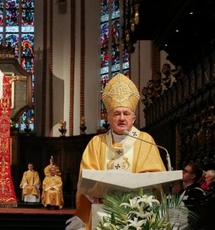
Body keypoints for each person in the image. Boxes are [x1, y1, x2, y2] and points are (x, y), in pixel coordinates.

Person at [66, 73, 166, 230]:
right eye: (116, 113)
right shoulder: (96, 143)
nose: (121, 118)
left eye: (126, 114)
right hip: (103, 209)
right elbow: (85, 178)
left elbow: (155, 178)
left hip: (137, 212)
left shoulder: (145, 141)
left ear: (133, 118)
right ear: (108, 118)